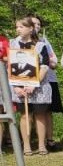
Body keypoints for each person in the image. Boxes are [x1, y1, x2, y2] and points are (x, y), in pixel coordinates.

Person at [9, 17, 52, 156]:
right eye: (17, 27)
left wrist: (34, 84)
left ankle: (41, 145)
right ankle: (26, 146)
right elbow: (9, 66)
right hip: (20, 86)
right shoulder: (13, 44)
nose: (18, 29)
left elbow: (45, 66)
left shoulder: (40, 45)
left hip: (38, 86)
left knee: (40, 115)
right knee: (25, 115)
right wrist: (16, 86)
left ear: (30, 28)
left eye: (21, 27)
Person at [30, 16, 62, 151]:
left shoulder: (44, 42)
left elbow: (53, 60)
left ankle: (49, 140)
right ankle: (29, 141)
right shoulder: (19, 42)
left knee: (47, 111)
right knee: (28, 112)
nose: (37, 27)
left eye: (39, 24)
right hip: (27, 80)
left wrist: (51, 63)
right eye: (34, 24)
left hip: (48, 80)